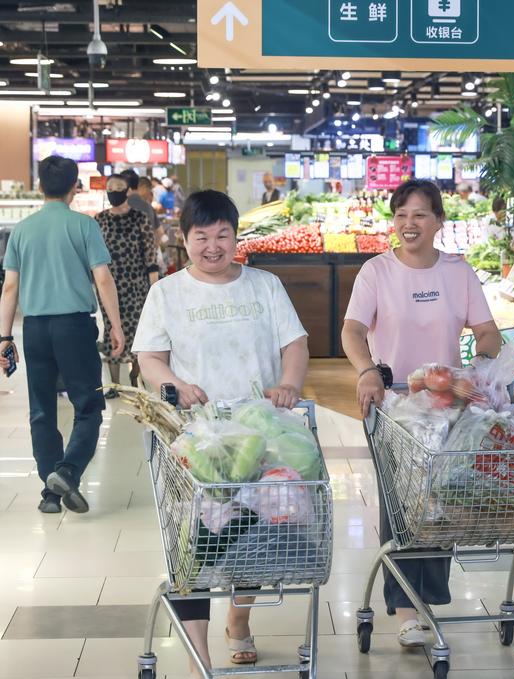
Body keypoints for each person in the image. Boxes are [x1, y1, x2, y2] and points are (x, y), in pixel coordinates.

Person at [133, 189, 309, 674]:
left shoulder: (264, 285)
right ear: (184, 239)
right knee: (193, 542)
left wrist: (289, 384)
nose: (213, 246)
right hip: (196, 439)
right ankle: (199, 660)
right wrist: (174, 385)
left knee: (253, 531)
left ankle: (239, 618)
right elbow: (149, 357)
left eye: (222, 235)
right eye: (201, 236)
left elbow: (295, 344)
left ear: (236, 237)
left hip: (258, 433)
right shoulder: (167, 293)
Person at [341, 179, 502, 648]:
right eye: (401, 215)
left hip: (447, 406)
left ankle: (426, 596)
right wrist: (366, 371)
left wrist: (482, 365)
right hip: (393, 407)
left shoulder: (458, 272)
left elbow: (488, 331)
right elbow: (352, 330)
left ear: (438, 222)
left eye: (419, 215)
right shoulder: (376, 271)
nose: (408, 224)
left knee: (442, 501)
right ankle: (406, 608)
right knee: (400, 503)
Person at [0, 155, 125, 515]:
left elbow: (10, 288)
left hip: (35, 329)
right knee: (89, 406)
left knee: (42, 409)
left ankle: (50, 493)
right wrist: (116, 325)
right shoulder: (84, 226)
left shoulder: (22, 230)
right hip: (74, 327)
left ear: (41, 186)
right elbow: (103, 279)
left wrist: (5, 337)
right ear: (75, 187)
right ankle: (68, 472)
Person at [95, 173, 159, 396]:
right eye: (110, 188)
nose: (114, 192)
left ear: (128, 190)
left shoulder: (140, 218)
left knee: (137, 331)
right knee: (111, 329)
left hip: (136, 285)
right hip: (108, 285)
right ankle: (114, 385)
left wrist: (154, 287)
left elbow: (150, 254)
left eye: (119, 187)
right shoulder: (99, 220)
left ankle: (135, 377)